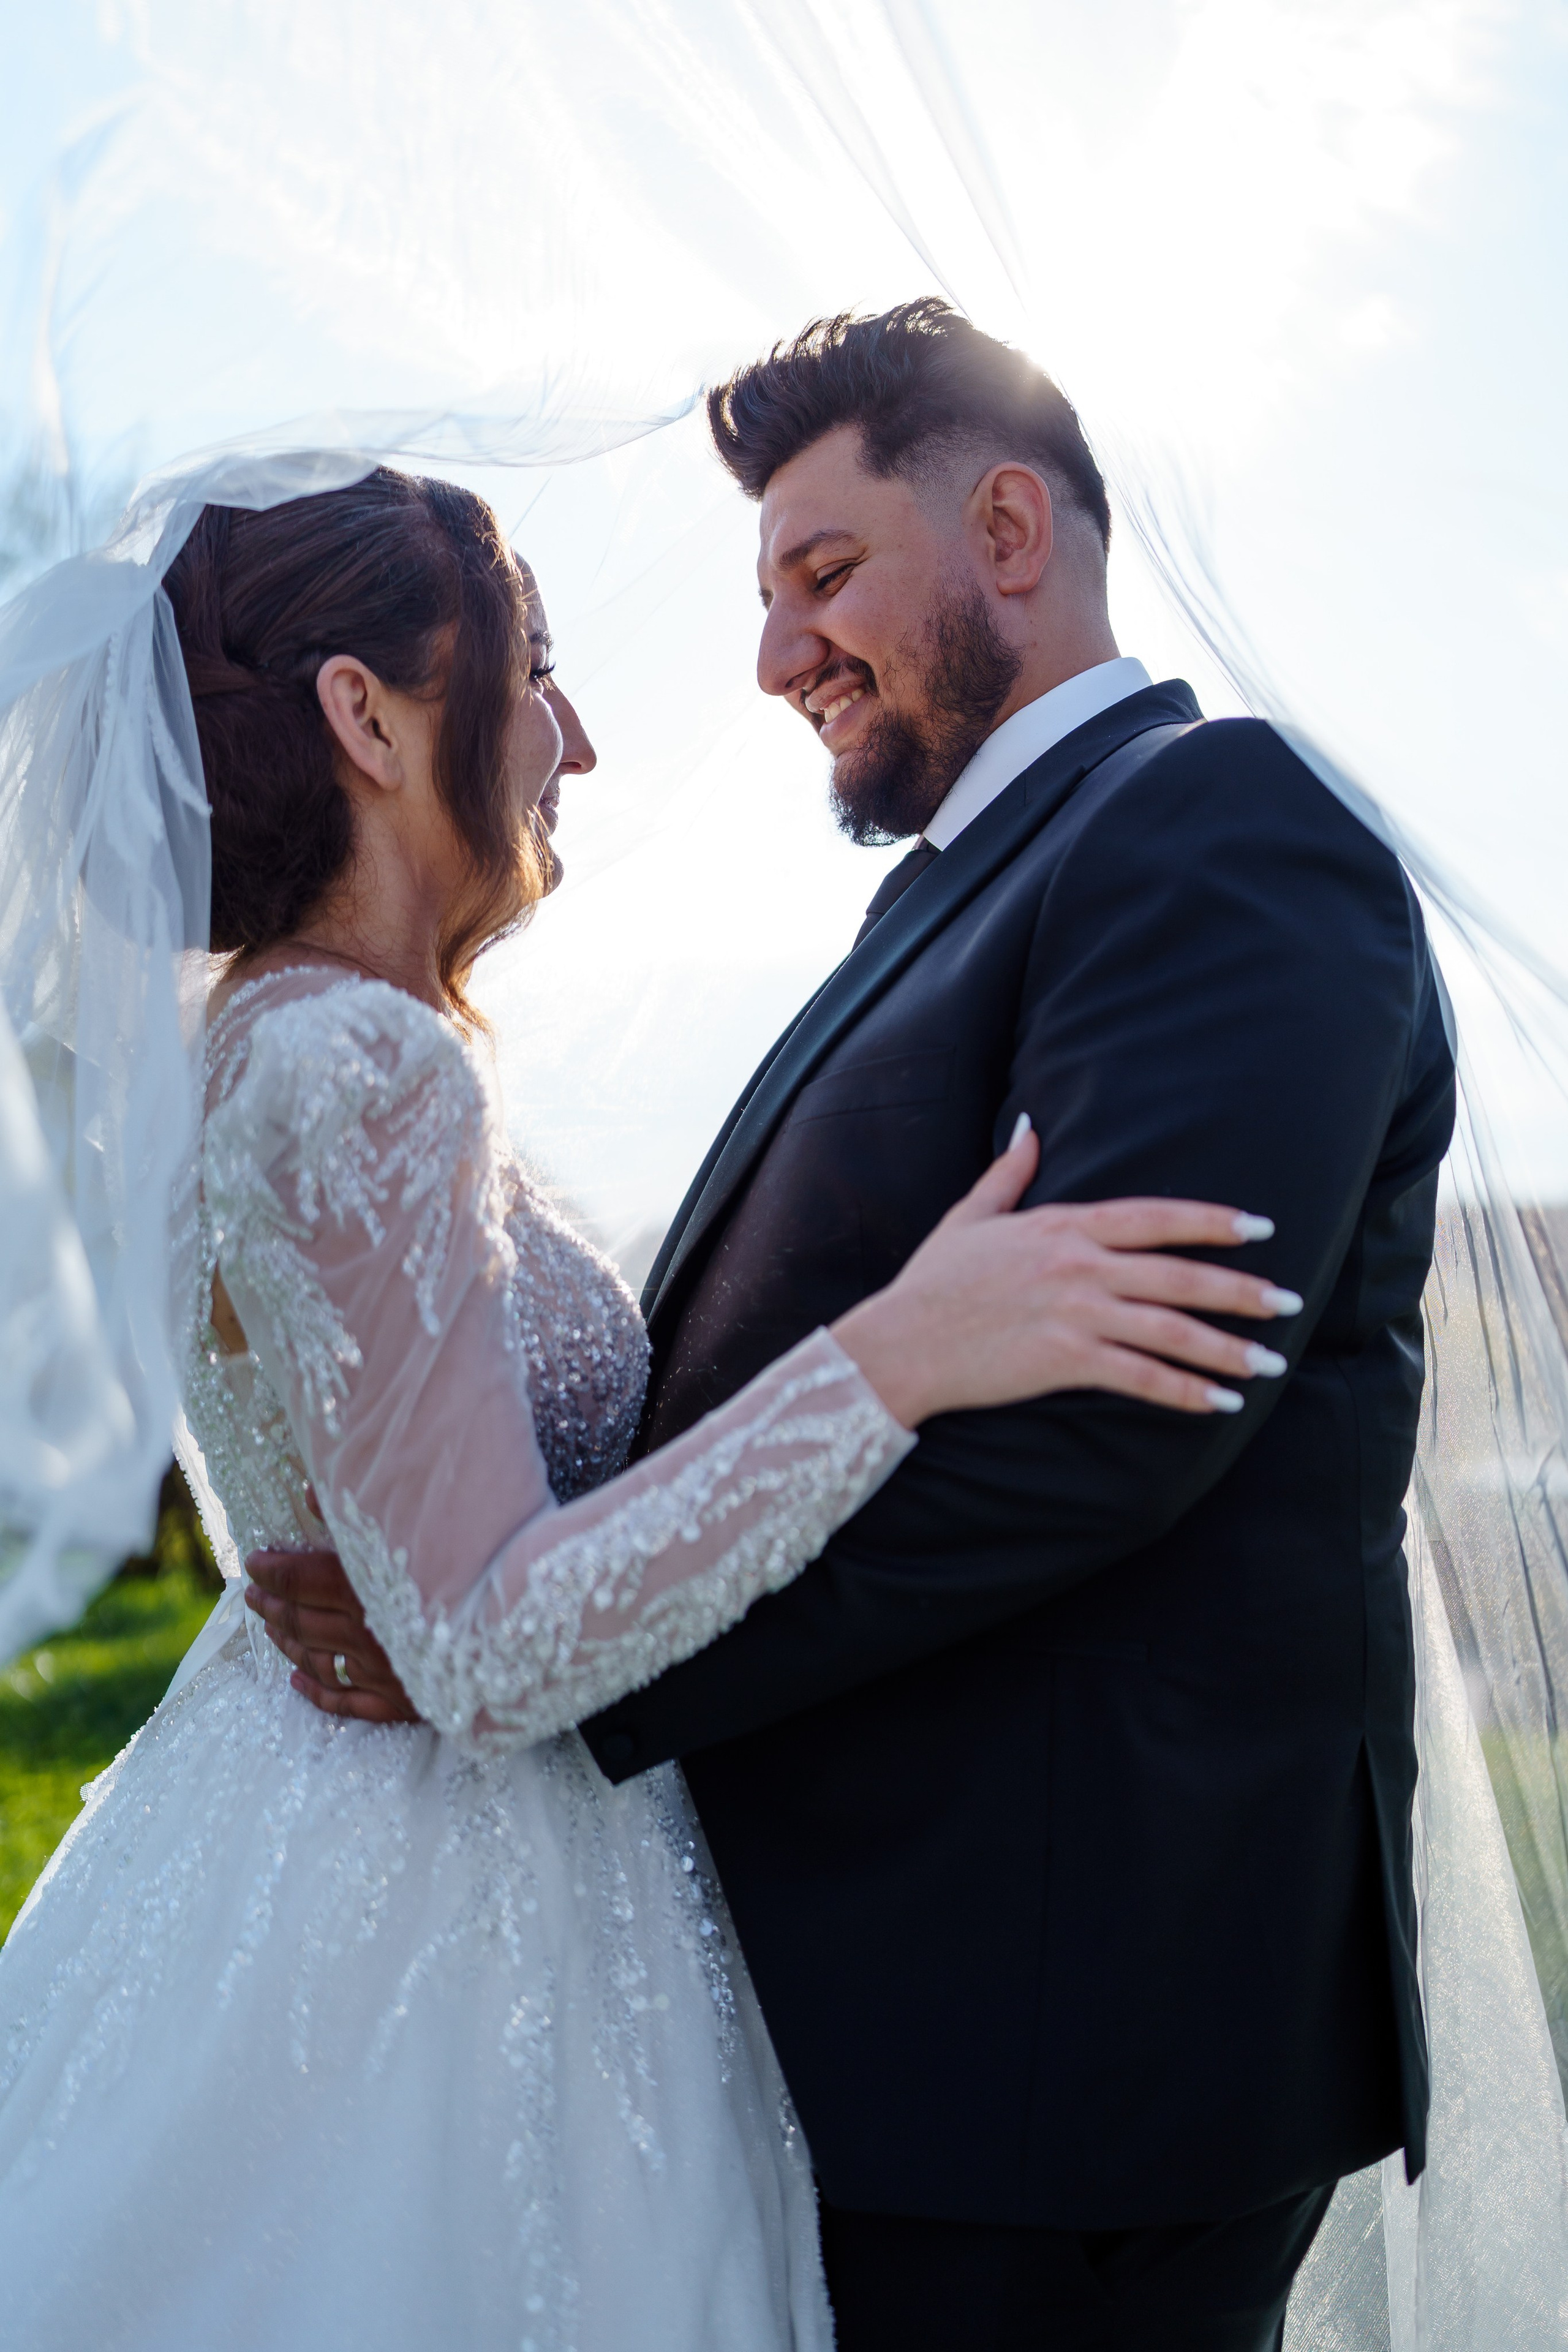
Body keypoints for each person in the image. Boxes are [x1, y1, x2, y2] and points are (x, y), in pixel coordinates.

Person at [255, 305, 1457, 2351]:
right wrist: (508, 1581)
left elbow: (1103, 1420)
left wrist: (562, 1664)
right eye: (768, 593)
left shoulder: (1216, 836)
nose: (772, 654)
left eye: (822, 576)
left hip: (1064, 2047)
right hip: (898, 2029)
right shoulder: (946, 897)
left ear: (1008, 528)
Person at [0, 462, 1293, 2350]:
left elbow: (430, 1552)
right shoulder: (362, 1067)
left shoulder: (273, 1040)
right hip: (435, 1944)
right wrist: (910, 1348)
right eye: (532, 670)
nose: (578, 740)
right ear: (365, 717)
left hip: (300, 1842)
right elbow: (489, 1651)